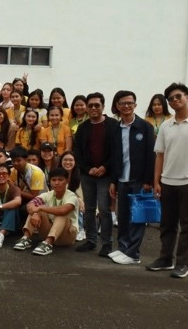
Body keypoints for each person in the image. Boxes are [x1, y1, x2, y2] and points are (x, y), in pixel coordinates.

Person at [147, 83, 188, 279]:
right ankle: (165, 258)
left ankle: (183, 263)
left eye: (178, 97)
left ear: (187, 97)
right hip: (167, 182)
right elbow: (160, 154)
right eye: (171, 99)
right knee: (167, 224)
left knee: (187, 225)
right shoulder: (167, 125)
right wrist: (156, 181)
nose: (175, 101)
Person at [107, 90, 156, 266]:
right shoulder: (115, 129)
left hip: (139, 179)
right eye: (123, 103)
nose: (126, 106)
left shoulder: (145, 127)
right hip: (121, 178)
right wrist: (113, 180)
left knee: (137, 217)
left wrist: (148, 181)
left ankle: (133, 253)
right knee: (124, 215)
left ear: (135, 105)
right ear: (117, 106)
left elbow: (151, 156)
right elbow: (113, 156)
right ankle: (123, 248)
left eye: (130, 103)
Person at [72, 92, 119, 257]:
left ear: (103, 107)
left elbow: (116, 151)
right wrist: (87, 168)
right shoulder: (83, 128)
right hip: (87, 174)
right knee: (89, 208)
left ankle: (107, 243)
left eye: (96, 105)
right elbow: (77, 151)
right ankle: (91, 240)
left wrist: (105, 167)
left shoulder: (113, 125)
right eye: (90, 105)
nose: (93, 108)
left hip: (106, 175)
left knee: (105, 210)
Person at [13, 168, 79, 256]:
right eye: (53, 180)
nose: (57, 183)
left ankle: (48, 244)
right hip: (48, 232)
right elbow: (30, 205)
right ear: (50, 181)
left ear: (67, 181)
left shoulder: (71, 196)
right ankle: (26, 238)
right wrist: (35, 213)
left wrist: (40, 208)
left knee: (61, 214)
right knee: (36, 210)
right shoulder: (47, 194)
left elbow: (64, 210)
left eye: (60, 180)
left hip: (67, 236)